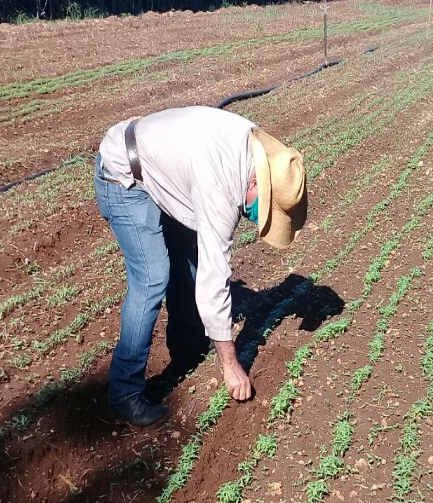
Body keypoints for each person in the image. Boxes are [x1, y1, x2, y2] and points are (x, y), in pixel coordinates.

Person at [93, 106, 307, 426]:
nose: (257, 219)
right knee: (152, 277)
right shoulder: (221, 185)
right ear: (255, 183)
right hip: (123, 176)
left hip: (162, 172)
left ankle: (188, 347)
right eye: (265, 209)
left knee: (187, 254)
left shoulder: (251, 153)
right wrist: (231, 364)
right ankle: (124, 393)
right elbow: (214, 280)